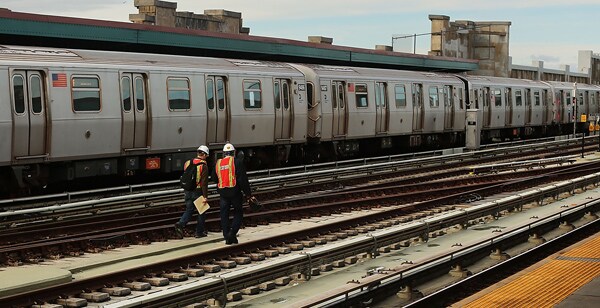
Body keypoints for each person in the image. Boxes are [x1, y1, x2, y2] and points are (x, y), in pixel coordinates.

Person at [214, 143, 252, 244]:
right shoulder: (237, 162)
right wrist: (248, 194)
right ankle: (232, 233)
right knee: (238, 212)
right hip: (235, 192)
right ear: (234, 152)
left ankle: (227, 236)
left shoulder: (218, 163)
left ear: (224, 153)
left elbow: (214, 178)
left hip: (223, 193)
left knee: (224, 214)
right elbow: (243, 179)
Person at [175, 145, 210, 238]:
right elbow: (204, 183)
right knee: (201, 211)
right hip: (198, 191)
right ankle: (199, 232)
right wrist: (205, 196)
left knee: (189, 209)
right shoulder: (204, 166)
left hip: (187, 190)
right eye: (206, 155)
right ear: (205, 154)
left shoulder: (187, 163)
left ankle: (180, 223)